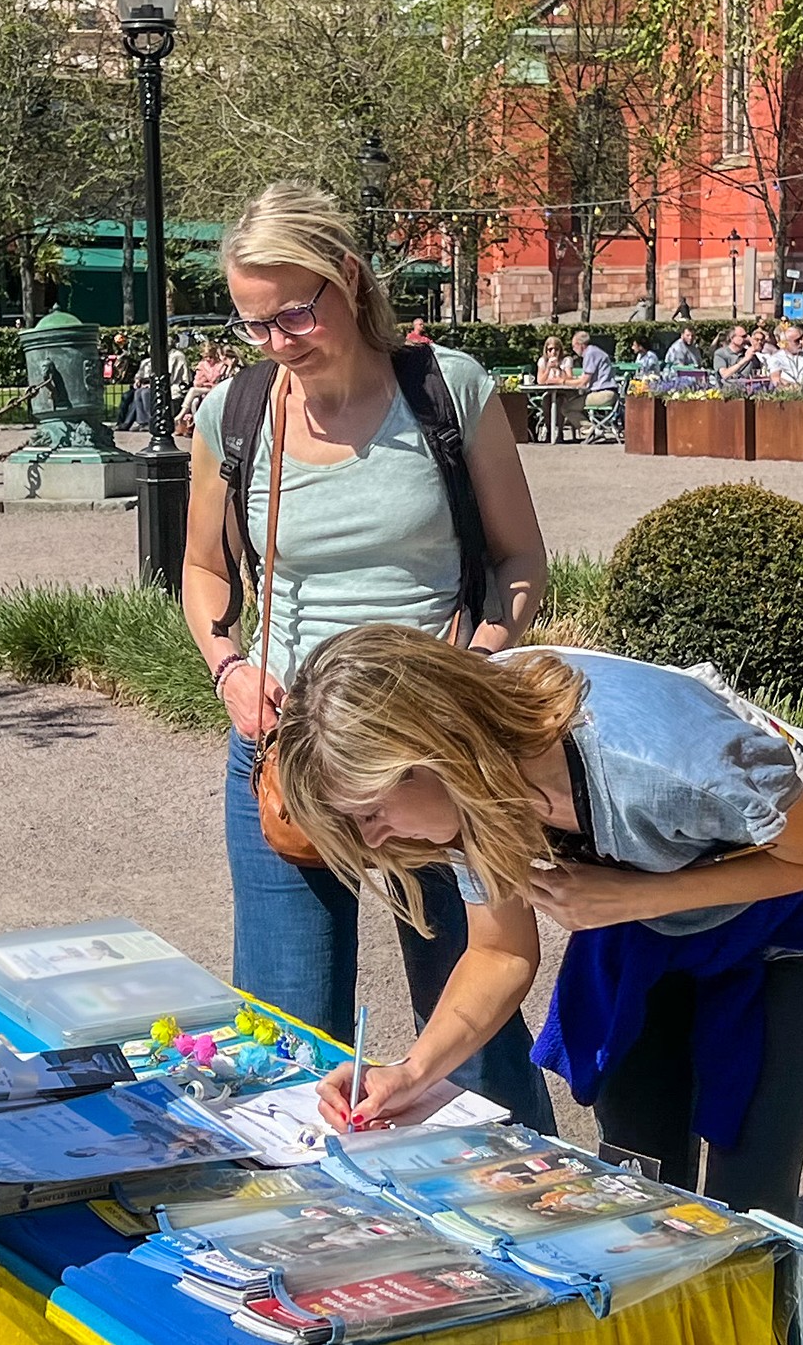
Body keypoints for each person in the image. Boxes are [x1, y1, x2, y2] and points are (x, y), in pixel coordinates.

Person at [277, 625, 803, 1221]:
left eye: (371, 811)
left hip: (793, 933)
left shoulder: (657, 764)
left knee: (751, 1195)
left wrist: (638, 897)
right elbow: (499, 953)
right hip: (646, 933)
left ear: (428, 754)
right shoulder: (471, 785)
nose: (374, 839)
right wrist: (411, 1073)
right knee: (635, 1181)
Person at [180, 181, 554, 1132]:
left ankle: (529, 1202)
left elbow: (520, 559)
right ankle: (304, 1215)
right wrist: (229, 668)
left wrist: (478, 662)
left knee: (471, 1025)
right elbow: (203, 568)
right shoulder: (236, 412)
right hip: (289, 756)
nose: (278, 341)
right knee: (284, 1032)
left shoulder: (445, 391)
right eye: (255, 322)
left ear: (348, 277)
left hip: (428, 757)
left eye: (295, 313)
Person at [175, 341, 229, 436]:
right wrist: (203, 381)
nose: (208, 359)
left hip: (215, 390)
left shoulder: (220, 365)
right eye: (205, 357)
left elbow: (216, 380)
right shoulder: (202, 365)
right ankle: (196, 425)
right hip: (204, 390)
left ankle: (181, 415)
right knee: (194, 402)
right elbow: (197, 382)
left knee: (193, 391)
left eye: (210, 357)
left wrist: (206, 381)